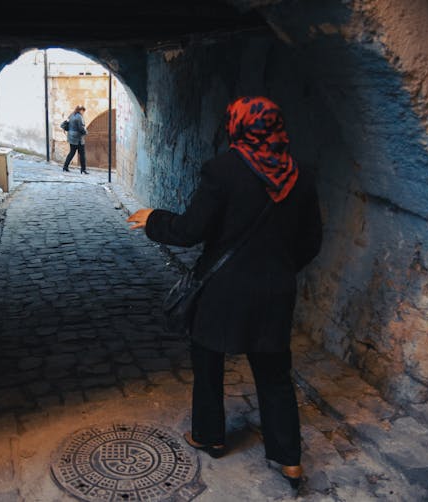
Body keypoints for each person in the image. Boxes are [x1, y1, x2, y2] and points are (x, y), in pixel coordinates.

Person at [127, 96, 322, 491]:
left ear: (238, 125)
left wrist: (154, 220)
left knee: (209, 362)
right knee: (274, 374)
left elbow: (190, 231)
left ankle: (210, 435)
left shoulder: (224, 170)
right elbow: (312, 242)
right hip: (274, 293)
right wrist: (278, 270)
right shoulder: (300, 175)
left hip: (223, 290)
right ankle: (289, 460)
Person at [63, 105, 88, 174]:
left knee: (72, 152)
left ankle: (65, 167)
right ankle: (83, 169)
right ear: (81, 110)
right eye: (83, 111)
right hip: (78, 138)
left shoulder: (72, 115)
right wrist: (86, 132)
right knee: (82, 154)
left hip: (71, 137)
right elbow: (81, 128)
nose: (83, 113)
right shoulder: (79, 117)